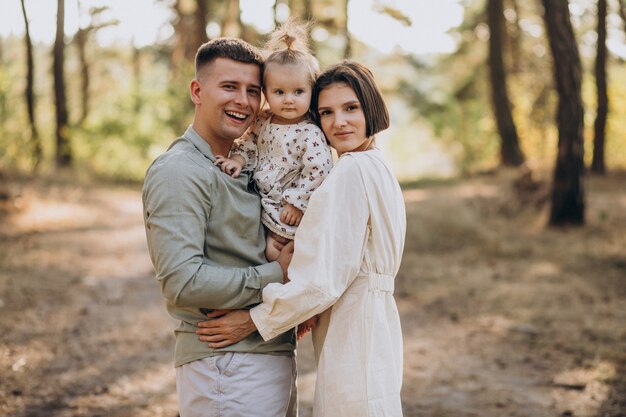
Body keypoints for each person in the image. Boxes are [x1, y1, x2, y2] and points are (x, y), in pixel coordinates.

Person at [196, 61, 407, 417]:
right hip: (378, 327)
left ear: (371, 106)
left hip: (354, 332)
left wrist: (253, 320)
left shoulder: (351, 170)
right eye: (326, 112)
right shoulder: (377, 164)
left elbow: (323, 281)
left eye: (351, 108)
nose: (339, 122)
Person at [142, 38, 297, 417]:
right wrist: (277, 274)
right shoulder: (180, 171)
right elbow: (182, 283)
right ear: (197, 90)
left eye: (253, 90)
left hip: (267, 353)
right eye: (229, 86)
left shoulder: (249, 165)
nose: (243, 101)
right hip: (224, 367)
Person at [215, 20, 332, 263]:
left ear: (311, 91)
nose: (289, 100)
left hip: (293, 212)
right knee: (266, 256)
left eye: (298, 92)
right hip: (266, 206)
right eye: (279, 92)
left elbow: (318, 170)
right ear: (266, 93)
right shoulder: (262, 121)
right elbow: (249, 142)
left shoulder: (309, 133)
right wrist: (237, 158)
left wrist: (298, 203)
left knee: (286, 258)